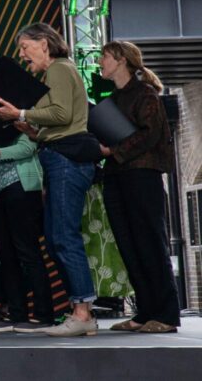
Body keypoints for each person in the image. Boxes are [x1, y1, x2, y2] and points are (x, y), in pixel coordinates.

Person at [0, 22, 97, 337]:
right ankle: (80, 310)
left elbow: (62, 115)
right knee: (54, 237)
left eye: (25, 47)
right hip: (57, 157)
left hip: (66, 160)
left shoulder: (60, 69)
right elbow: (59, 121)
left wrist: (20, 114)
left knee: (63, 237)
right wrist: (31, 129)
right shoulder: (56, 73)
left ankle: (82, 311)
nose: (22, 55)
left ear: (44, 43)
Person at [96, 41, 180, 333]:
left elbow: (150, 134)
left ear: (120, 59)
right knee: (129, 245)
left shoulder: (145, 94)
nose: (99, 62)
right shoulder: (114, 98)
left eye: (104, 57)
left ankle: (167, 315)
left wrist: (113, 151)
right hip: (117, 175)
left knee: (150, 243)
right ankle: (145, 312)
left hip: (142, 175)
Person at [0, 103, 51, 332]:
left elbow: (27, 147)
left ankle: (43, 313)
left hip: (21, 188)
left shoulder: (22, 114)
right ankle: (16, 312)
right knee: (6, 255)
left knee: (28, 251)